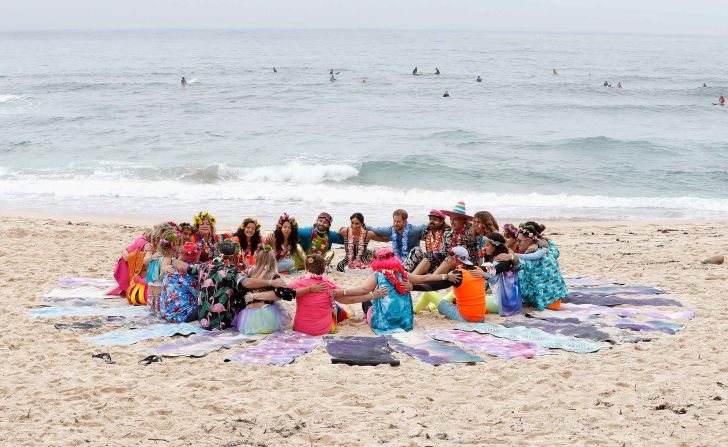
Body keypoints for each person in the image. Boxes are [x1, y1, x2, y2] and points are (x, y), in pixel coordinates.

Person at [170, 239, 288, 330]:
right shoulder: (232, 272)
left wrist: (171, 261)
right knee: (241, 292)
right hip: (222, 323)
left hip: (203, 320)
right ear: (235, 255)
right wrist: (271, 282)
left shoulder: (204, 266)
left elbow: (182, 266)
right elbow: (246, 283)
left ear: (218, 252)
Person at [336, 247, 452, 335]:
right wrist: (446, 276)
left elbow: (363, 289)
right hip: (405, 322)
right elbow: (424, 278)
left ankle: (366, 319)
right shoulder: (403, 274)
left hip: (384, 323)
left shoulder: (378, 274)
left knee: (367, 300)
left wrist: (343, 291)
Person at [283, 254, 387, 336]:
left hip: (299, 329)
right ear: (324, 269)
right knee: (334, 307)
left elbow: (283, 291)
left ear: (307, 268)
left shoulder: (298, 283)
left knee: (331, 305)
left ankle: (348, 314)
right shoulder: (328, 285)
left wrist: (308, 290)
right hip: (324, 331)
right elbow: (349, 300)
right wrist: (373, 295)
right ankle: (348, 314)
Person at [413, 246, 488, 322]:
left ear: (455, 260)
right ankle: (431, 307)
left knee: (429, 294)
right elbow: (494, 268)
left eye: (449, 258)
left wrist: (413, 287)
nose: (447, 260)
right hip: (481, 318)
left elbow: (433, 286)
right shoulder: (479, 269)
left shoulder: (457, 274)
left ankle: (413, 311)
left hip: (466, 318)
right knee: (454, 294)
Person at [231, 246, 294, 334]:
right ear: (273, 261)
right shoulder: (274, 277)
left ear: (257, 260)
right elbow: (284, 294)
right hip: (268, 315)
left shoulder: (250, 275)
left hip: (247, 319)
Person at [510, 222, 567, 310]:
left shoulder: (534, 253)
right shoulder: (545, 250)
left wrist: (511, 256)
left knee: (518, 275)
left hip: (547, 302)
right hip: (557, 296)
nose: (517, 244)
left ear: (529, 240)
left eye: (519, 241)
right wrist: (549, 240)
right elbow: (555, 251)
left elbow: (521, 265)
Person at [159, 242, 201, 323]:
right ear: (195, 257)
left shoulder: (170, 268)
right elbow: (198, 295)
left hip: (165, 313)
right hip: (181, 315)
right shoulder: (188, 273)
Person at [432, 201, 479, 274]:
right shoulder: (447, 234)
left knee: (449, 259)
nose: (452, 222)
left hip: (467, 265)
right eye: (451, 219)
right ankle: (414, 278)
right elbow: (443, 253)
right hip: (449, 264)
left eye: (455, 219)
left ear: (463, 220)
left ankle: (429, 279)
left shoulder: (472, 233)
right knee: (428, 256)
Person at [402, 209, 452, 274]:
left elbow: (446, 254)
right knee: (416, 250)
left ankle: (413, 276)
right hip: (427, 261)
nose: (431, 221)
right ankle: (402, 272)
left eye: (435, 219)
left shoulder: (447, 233)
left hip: (441, 263)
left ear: (442, 222)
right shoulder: (427, 232)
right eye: (430, 219)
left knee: (432, 256)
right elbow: (414, 231)